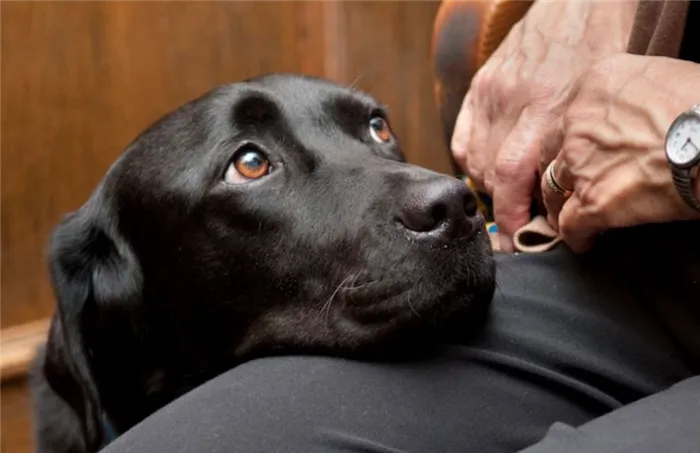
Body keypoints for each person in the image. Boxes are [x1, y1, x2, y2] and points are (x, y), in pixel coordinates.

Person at [101, 1, 700, 452]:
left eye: (376, 133)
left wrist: (686, 134)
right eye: (251, 164)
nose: (435, 191)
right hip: (627, 274)